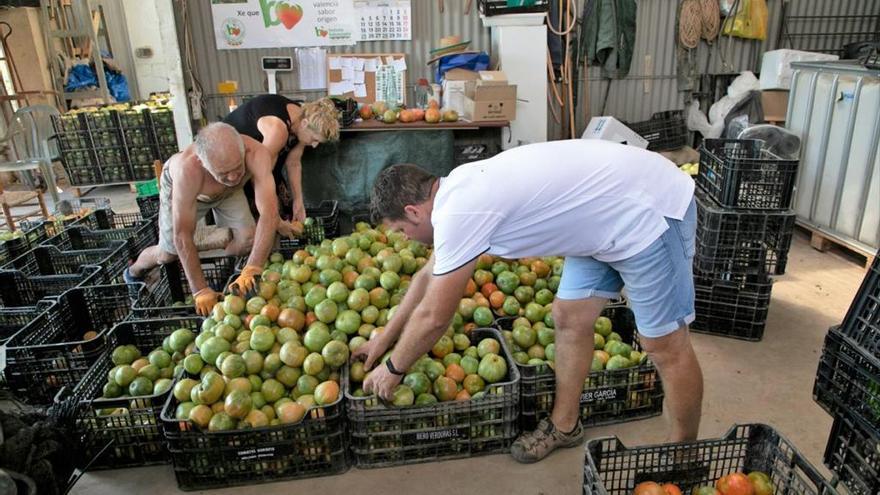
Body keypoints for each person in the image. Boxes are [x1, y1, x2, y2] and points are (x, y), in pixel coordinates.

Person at [353, 139, 703, 464]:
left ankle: (682, 455)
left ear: (413, 211)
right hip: (601, 217)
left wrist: (394, 368)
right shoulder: (456, 192)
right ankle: (565, 426)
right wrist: (383, 339)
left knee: (664, 346)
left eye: (401, 230)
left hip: (648, 211)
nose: (407, 240)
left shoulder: (459, 211)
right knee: (569, 317)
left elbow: (435, 316)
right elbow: (426, 278)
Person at [125, 122, 279, 316]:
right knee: (168, 254)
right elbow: (181, 234)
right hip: (193, 194)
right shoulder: (187, 169)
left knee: (248, 240)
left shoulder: (256, 153)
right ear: (202, 162)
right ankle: (134, 270)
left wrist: (253, 266)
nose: (233, 176)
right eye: (224, 172)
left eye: (237, 168)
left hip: (229, 193)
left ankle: (222, 267)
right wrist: (199, 290)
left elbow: (269, 213)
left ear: (242, 150)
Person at [223, 95, 340, 226]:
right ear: (305, 124)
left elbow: (293, 163)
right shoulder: (278, 130)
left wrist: (298, 201)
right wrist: (274, 218)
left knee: (287, 213)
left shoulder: (302, 120)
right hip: (231, 165)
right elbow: (259, 176)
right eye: (314, 139)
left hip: (264, 163)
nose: (314, 145)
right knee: (261, 225)